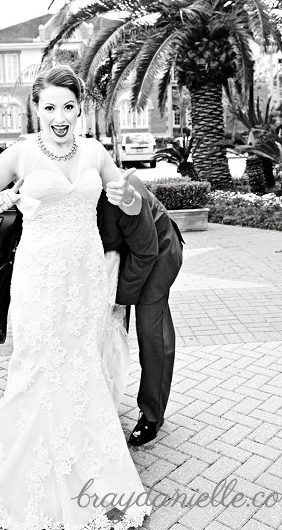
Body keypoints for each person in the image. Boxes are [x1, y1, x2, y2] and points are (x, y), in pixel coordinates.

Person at [0, 65, 150, 529]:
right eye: (50, 107)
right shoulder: (20, 155)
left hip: (84, 278)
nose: (59, 116)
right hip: (39, 278)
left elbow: (132, 201)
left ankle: (91, 481)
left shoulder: (95, 151)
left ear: (79, 108)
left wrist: (126, 196)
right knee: (35, 368)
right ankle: (22, 485)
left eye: (68, 106)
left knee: (82, 366)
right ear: (36, 109)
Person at [97, 173, 182, 446]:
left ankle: (152, 415)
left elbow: (146, 252)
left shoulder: (119, 192)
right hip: (127, 256)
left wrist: (120, 296)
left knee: (151, 333)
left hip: (157, 252)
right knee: (111, 332)